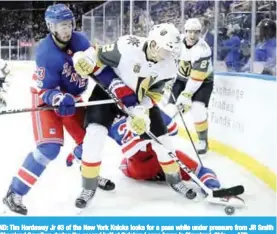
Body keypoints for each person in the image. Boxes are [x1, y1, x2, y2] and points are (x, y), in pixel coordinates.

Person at [2, 4, 114, 215]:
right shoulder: (46, 53)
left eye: (69, 24)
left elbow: (92, 67)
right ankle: (14, 193)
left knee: (91, 141)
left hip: (72, 100)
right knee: (49, 148)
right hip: (45, 101)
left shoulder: (80, 40)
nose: (67, 29)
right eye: (61, 25)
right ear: (51, 27)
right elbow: (44, 89)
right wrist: (58, 97)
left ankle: (89, 172)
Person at [72, 23, 195, 209]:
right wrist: (83, 59)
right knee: (94, 135)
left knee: (162, 140)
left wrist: (141, 111)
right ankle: (88, 186)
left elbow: (154, 94)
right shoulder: (127, 45)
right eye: (167, 50)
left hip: (137, 101)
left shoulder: (169, 66)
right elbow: (97, 56)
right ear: (154, 45)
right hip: (107, 93)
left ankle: (175, 179)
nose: (170, 55)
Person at [68, 112, 244, 208]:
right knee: (198, 170)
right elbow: (173, 129)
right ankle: (213, 188)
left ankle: (159, 176)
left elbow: (89, 146)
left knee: (126, 164)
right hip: (160, 158)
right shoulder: (146, 107)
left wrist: (75, 156)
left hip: (134, 169)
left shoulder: (104, 116)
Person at [166, 18, 214, 155]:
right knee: (170, 109)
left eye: (196, 32)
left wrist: (186, 95)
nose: (192, 35)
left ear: (200, 33)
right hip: (181, 78)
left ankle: (203, 140)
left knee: (197, 109)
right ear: (185, 31)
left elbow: (197, 77)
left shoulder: (203, 50)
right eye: (190, 32)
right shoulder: (176, 42)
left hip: (203, 81)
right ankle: (162, 137)